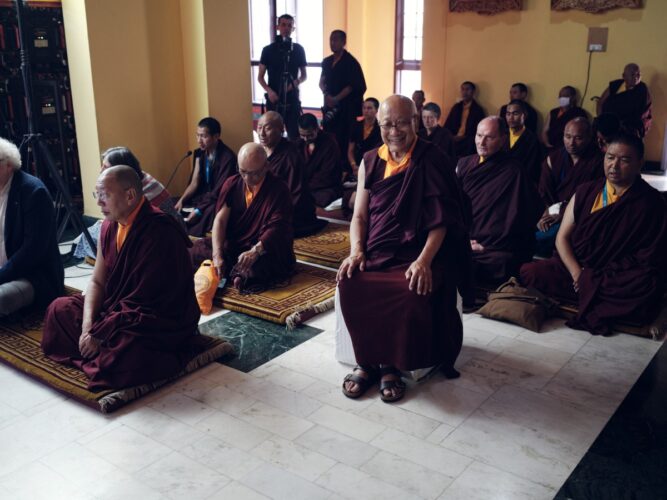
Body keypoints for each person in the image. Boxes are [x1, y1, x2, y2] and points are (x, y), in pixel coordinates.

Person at [337, 95, 470, 403]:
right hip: (376, 251)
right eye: (387, 124)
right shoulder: (370, 160)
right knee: (350, 281)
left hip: (418, 253)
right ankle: (367, 361)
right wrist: (357, 250)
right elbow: (359, 215)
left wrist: (424, 261)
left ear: (415, 122)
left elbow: (442, 221)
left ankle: (391, 366)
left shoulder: (432, 158)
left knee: (409, 290)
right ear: (377, 124)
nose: (394, 130)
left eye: (401, 123)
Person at [42, 166, 201, 390]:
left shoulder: (160, 231)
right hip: (118, 310)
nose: (98, 203)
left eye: (105, 195)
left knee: (129, 352)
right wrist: (88, 328)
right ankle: (96, 357)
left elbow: (148, 302)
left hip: (154, 317)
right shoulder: (108, 226)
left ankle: (97, 355)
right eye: (97, 195)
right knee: (58, 310)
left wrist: (100, 333)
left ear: (130, 195)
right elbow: (97, 281)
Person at [521, 134, 667, 336]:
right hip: (577, 269)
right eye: (610, 157)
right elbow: (562, 238)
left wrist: (594, 278)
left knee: (645, 287)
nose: (614, 166)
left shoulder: (651, 202)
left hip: (615, 276)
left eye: (624, 160)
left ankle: (587, 294)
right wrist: (577, 274)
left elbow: (650, 256)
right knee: (530, 271)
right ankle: (594, 296)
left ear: (639, 163)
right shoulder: (586, 191)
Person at [456, 117, 542, 301]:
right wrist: (463, 239)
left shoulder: (514, 171)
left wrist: (486, 245)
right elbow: (453, 205)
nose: (482, 142)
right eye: (479, 135)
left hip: (493, 245)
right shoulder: (463, 164)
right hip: (465, 237)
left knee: (502, 262)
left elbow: (525, 215)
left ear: (503, 139)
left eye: (489, 137)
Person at [190, 143, 295, 293]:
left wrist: (255, 251)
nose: (248, 178)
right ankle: (231, 272)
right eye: (243, 172)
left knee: (256, 268)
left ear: (266, 166)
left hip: (265, 248)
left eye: (255, 173)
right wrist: (217, 255)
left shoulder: (279, 189)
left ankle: (234, 274)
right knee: (196, 250)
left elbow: (278, 229)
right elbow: (220, 220)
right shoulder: (233, 183)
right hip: (236, 245)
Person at [73, 146, 184, 260]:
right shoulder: (139, 177)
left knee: (96, 235)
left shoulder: (139, 193)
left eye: (106, 167)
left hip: (159, 235)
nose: (101, 171)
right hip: (144, 229)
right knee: (97, 231)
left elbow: (131, 222)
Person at [0, 137, 63, 316]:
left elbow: (32, 251)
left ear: (9, 165)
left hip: (32, 275)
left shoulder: (33, 192)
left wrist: (1, 275)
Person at [536, 117, 604, 255]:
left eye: (578, 138)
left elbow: (595, 197)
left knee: (542, 237)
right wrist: (545, 213)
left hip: (579, 215)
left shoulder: (598, 162)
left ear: (589, 137)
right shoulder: (553, 159)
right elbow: (544, 192)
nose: (571, 143)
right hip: (551, 212)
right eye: (567, 136)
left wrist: (565, 213)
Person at [257, 111, 326, 236]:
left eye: (267, 128)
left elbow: (296, 195)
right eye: (259, 127)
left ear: (281, 130)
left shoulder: (290, 157)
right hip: (266, 206)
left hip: (289, 211)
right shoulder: (260, 152)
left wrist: (270, 212)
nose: (261, 133)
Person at [175, 117, 238, 237]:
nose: (199, 140)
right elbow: (194, 183)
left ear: (216, 136)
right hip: (204, 196)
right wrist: (181, 200)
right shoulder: (200, 153)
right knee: (176, 205)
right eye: (197, 135)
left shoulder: (227, 158)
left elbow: (219, 191)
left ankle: (191, 234)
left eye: (203, 136)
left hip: (218, 198)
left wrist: (199, 210)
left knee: (208, 213)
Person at [257, 14, 307, 140]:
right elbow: (260, 77)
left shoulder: (299, 49)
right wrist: (270, 92)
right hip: (274, 99)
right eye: (283, 25)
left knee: (294, 135)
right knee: (273, 134)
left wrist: (292, 85)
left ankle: (294, 159)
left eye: (289, 25)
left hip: (292, 99)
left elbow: (304, 75)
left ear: (293, 29)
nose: (286, 28)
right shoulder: (267, 50)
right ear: (277, 27)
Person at [320, 30, 367, 158]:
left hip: (346, 109)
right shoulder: (326, 62)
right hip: (330, 107)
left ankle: (345, 168)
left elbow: (354, 86)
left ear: (343, 42)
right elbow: (321, 81)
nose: (333, 42)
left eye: (336, 39)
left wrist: (336, 99)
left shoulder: (351, 62)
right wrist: (326, 95)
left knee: (344, 139)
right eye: (331, 39)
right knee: (329, 138)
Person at [296, 113, 342, 208]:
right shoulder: (299, 143)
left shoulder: (330, 142)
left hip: (324, 186)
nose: (305, 139)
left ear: (317, 128)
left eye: (309, 135)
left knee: (324, 197)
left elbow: (328, 174)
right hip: (303, 185)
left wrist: (304, 187)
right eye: (302, 135)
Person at [597, 63, 652, 138]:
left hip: (628, 128)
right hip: (607, 123)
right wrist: (601, 120)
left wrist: (621, 126)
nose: (636, 77)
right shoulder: (616, 85)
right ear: (624, 76)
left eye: (638, 74)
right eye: (633, 74)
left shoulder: (642, 90)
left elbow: (642, 115)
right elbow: (600, 102)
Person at [505, 99, 544, 184]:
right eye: (508, 114)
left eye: (515, 114)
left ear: (524, 115)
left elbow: (532, 168)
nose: (511, 118)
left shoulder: (532, 139)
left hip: (519, 181)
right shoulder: (501, 134)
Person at [444, 81, 486, 158]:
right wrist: (451, 136)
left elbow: (480, 131)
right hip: (454, 138)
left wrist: (464, 137)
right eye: (462, 89)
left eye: (467, 89)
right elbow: (447, 125)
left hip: (468, 140)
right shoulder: (456, 107)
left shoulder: (477, 110)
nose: (464, 92)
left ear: (473, 92)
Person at [347, 97, 382, 176]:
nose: (366, 111)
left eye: (369, 108)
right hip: (356, 164)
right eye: (364, 108)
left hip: (373, 165)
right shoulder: (356, 126)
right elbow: (350, 150)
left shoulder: (380, 128)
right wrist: (354, 165)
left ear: (376, 110)